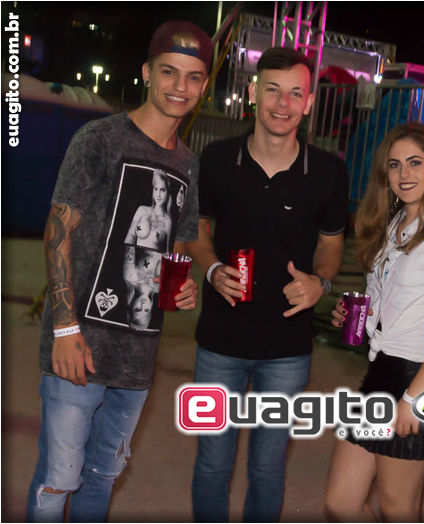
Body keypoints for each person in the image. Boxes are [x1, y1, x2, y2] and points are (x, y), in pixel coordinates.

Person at [26, 20, 210, 522]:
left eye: (193, 77)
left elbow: (178, 244)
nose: (180, 86)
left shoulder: (188, 164)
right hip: (78, 346)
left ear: (203, 86)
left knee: (103, 476)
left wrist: (184, 286)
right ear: (147, 73)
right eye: (169, 72)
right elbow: (58, 231)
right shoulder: (101, 138)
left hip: (137, 355)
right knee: (59, 478)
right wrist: (65, 328)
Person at [187, 47, 348, 522]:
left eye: (296, 93)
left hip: (287, 349)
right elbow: (195, 227)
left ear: (309, 102)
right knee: (212, 465)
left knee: (267, 469)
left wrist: (320, 282)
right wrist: (211, 269)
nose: (283, 103)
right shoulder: (217, 159)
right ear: (253, 93)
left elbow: (331, 247)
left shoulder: (328, 171)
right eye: (273, 90)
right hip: (219, 341)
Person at [324, 123, 424, 522]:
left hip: (418, 380)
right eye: (395, 165)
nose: (404, 174)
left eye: (415, 163)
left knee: (398, 508)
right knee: (341, 503)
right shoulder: (391, 227)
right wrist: (355, 315)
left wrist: (413, 398)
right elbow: (385, 300)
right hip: (380, 371)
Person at [125, 169, 173, 251]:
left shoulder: (167, 221)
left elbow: (167, 251)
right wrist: (127, 257)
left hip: (155, 259)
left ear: (168, 194)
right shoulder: (142, 210)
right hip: (134, 257)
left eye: (162, 190)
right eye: (156, 189)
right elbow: (130, 237)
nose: (158, 194)